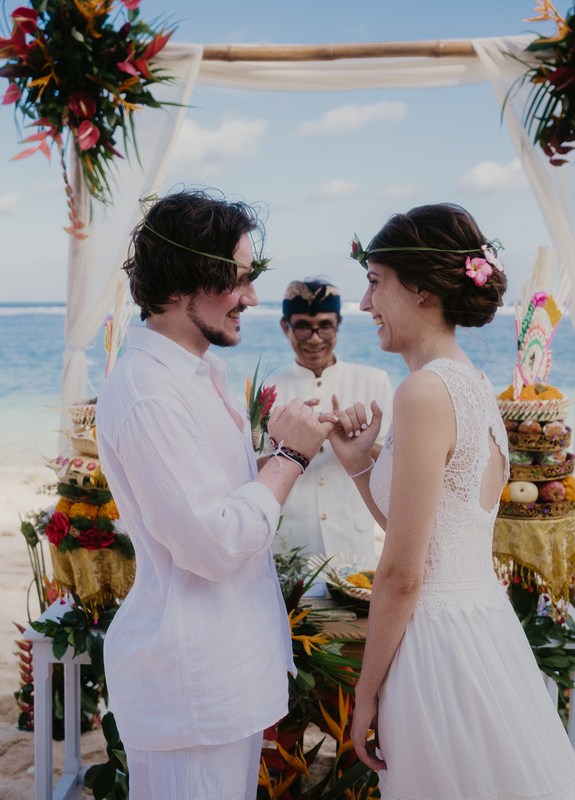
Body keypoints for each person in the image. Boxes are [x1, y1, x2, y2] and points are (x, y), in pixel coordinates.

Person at [323, 204, 575, 799]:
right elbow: (429, 532)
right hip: (482, 626)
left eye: (375, 282)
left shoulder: (423, 393)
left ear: (420, 290)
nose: (365, 303)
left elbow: (403, 574)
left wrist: (365, 692)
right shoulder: (472, 384)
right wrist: (360, 464)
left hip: (435, 647)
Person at [94, 190, 332, 800]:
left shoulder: (191, 376)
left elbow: (212, 494)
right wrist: (290, 457)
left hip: (222, 667)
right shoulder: (150, 392)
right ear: (183, 282)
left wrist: (286, 450)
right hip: (192, 683)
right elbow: (215, 542)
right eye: (238, 279)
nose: (251, 298)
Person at [271, 279, 393, 567]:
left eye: (325, 326)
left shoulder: (374, 381)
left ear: (338, 324)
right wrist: (292, 446)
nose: (315, 339)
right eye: (303, 326)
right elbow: (251, 470)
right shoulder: (268, 389)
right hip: (289, 546)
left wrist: (359, 446)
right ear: (285, 327)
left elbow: (395, 466)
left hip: (354, 540)